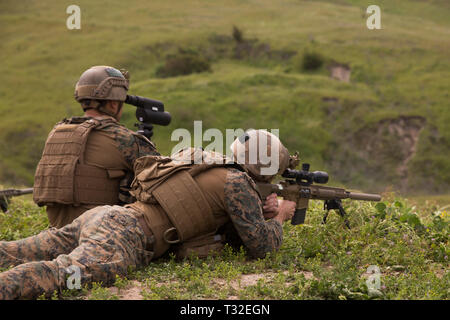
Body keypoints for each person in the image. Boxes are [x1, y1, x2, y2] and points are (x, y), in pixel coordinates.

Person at [0, 130, 296, 300]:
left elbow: (204, 212)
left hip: (106, 216)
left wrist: (259, 209)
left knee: (19, 250)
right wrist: (280, 216)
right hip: (126, 236)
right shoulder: (238, 183)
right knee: (61, 273)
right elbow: (262, 246)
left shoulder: (201, 160)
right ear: (265, 167)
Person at [33, 66, 159, 228]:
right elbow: (160, 182)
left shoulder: (56, 133)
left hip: (55, 234)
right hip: (101, 236)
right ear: (114, 105)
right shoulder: (124, 139)